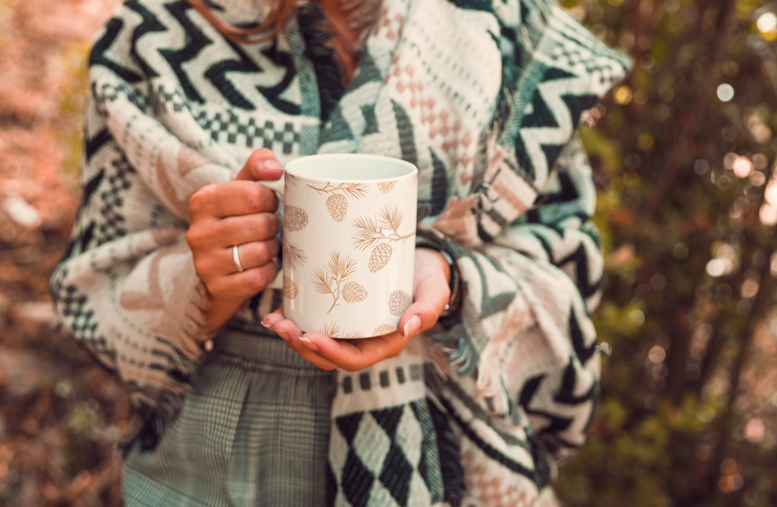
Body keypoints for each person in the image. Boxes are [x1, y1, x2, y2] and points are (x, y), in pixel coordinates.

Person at [50, 0, 630, 504]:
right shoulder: (155, 36)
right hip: (218, 469)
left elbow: (567, 270)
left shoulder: (518, 39)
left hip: (458, 471)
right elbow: (92, 290)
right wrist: (200, 281)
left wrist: (450, 281)